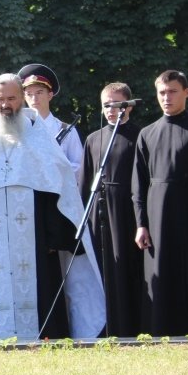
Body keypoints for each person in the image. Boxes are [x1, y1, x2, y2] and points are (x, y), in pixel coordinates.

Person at [0, 74, 104, 341]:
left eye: (11, 98)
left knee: (43, 310)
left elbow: (59, 193)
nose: (5, 105)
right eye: (0, 99)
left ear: (22, 99)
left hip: (38, 247)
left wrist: (54, 238)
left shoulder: (40, 142)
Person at [132, 70, 188, 335]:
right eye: (162, 92)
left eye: (173, 91)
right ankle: (159, 332)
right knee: (160, 277)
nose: (167, 97)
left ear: (186, 93)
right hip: (156, 222)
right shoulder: (147, 134)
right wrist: (141, 224)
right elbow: (138, 185)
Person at [81, 83, 143, 337]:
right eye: (106, 105)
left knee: (128, 269)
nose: (110, 110)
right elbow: (85, 184)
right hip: (99, 213)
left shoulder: (141, 136)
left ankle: (131, 327)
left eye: (116, 104)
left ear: (129, 106)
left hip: (127, 214)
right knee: (101, 271)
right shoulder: (93, 139)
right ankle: (102, 327)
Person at [18, 63, 84, 186]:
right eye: (29, 94)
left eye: (39, 92)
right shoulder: (17, 129)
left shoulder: (67, 130)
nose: (34, 98)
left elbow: (80, 167)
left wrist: (55, 168)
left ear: (50, 95)